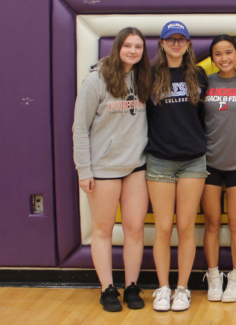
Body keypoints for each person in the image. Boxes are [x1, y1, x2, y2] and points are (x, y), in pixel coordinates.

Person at [72, 27, 151, 312]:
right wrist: (84, 169)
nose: (132, 51)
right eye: (127, 45)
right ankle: (107, 289)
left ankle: (131, 287)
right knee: (103, 231)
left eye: (138, 47)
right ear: (117, 47)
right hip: (103, 168)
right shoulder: (95, 80)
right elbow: (80, 129)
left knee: (134, 229)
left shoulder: (144, 78)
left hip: (136, 166)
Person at [147, 21, 209, 312]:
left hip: (193, 160)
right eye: (169, 39)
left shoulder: (198, 75)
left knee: (185, 227)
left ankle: (182, 288)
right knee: (162, 228)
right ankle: (162, 288)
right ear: (161, 43)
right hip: (159, 158)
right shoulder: (148, 75)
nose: (175, 44)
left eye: (180, 39)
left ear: (187, 44)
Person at [201, 34, 236, 303]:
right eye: (218, 53)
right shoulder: (204, 83)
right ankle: (213, 276)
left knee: (235, 223)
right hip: (208, 163)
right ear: (212, 58)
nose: (224, 58)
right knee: (212, 223)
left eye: (229, 52)